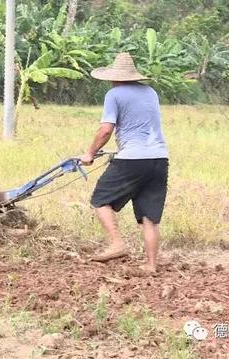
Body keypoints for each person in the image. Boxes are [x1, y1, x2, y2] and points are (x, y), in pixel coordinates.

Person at [80, 52, 169, 272]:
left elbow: (106, 130)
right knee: (149, 217)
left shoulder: (114, 94)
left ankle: (117, 243)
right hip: (159, 159)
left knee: (100, 200)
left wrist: (89, 153)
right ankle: (150, 265)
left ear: (115, 77)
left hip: (132, 159)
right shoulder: (151, 92)